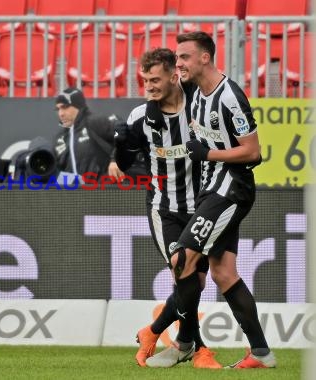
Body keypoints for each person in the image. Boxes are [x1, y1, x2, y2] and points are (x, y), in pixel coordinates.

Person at [146, 31, 274, 369]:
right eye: (177, 58)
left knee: (182, 262)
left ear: (205, 57)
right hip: (210, 190)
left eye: (185, 57)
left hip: (231, 189)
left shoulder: (230, 96)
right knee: (223, 273)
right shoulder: (193, 91)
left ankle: (169, 336)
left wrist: (209, 153)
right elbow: (160, 89)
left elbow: (254, 152)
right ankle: (261, 353)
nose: (179, 64)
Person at [115, 48, 221, 369]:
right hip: (165, 209)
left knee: (196, 284)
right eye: (145, 80)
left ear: (174, 75)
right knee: (182, 267)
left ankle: (157, 332)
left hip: (200, 207)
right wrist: (118, 152)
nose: (148, 86)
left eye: (155, 79)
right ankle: (198, 349)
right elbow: (123, 160)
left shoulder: (200, 106)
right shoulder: (139, 118)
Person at [53, 87, 144, 182]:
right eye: (58, 109)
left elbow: (124, 130)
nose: (60, 114)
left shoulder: (94, 121)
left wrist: (116, 159)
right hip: (75, 194)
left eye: (64, 107)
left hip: (103, 191)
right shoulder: (61, 139)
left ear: (78, 106)